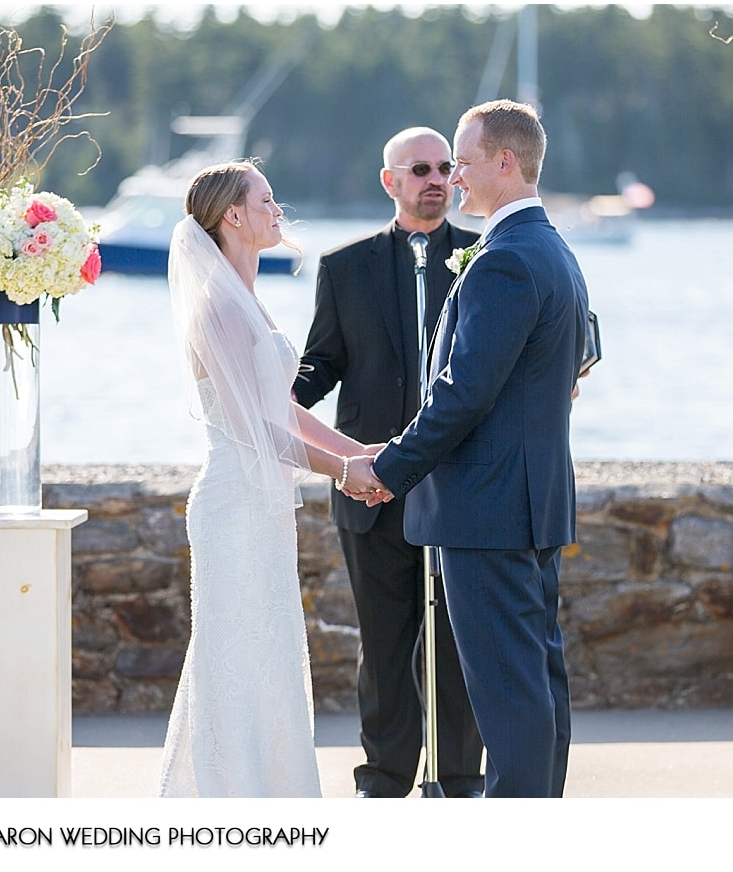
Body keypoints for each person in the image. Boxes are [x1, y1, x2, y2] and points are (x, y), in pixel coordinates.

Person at [347, 100, 590, 798]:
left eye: (464, 162)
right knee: (537, 685)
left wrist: (387, 469)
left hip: (487, 511)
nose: (453, 178)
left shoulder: (505, 261)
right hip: (528, 502)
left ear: (505, 164)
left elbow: (461, 395)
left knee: (510, 697)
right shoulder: (553, 250)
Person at [158, 160, 375, 798]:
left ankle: (274, 799)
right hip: (233, 503)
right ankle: (231, 804)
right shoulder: (218, 309)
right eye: (266, 199)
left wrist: (357, 450)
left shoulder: (246, 299)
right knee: (234, 658)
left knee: (270, 656)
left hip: (262, 502)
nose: (278, 210)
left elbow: (281, 410)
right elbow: (255, 431)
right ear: (233, 215)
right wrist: (345, 472)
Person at [293, 127, 485, 799]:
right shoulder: (344, 266)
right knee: (383, 642)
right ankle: (384, 778)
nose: (436, 178)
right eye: (421, 169)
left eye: (445, 168)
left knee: (458, 645)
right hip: (371, 488)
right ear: (391, 181)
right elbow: (324, 362)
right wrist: (270, 397)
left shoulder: (485, 256)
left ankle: (461, 777)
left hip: (460, 488)